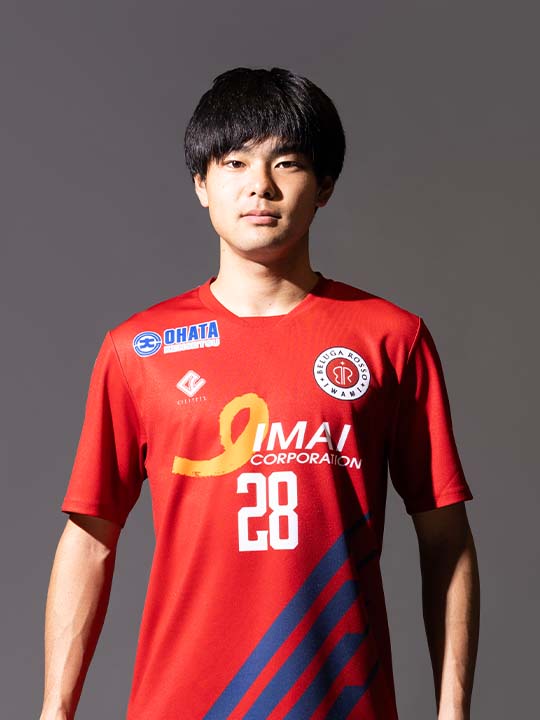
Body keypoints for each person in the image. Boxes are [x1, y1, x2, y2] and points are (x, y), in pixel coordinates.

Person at [40, 67, 480, 720]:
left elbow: (445, 538)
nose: (260, 186)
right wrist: (54, 711)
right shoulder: (139, 349)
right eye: (235, 162)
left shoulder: (391, 338)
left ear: (324, 185)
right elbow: (90, 537)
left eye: (288, 163)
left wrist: (453, 710)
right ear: (201, 183)